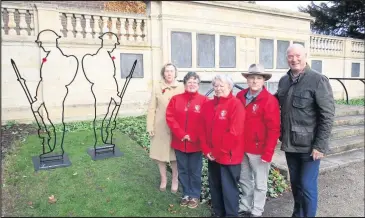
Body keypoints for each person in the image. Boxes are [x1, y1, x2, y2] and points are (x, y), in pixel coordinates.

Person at [275, 43, 335, 217]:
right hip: (290, 144)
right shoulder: (284, 81)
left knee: (307, 185)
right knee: (296, 184)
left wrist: (320, 146)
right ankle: (298, 214)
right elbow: (274, 102)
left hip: (310, 147)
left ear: (305, 56)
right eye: (290, 56)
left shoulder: (318, 80)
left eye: (297, 55)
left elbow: (327, 115)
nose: (294, 59)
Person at [236, 64, 281, 217]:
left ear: (263, 81)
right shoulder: (240, 96)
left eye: (258, 78)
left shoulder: (269, 100)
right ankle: (245, 207)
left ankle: (257, 211)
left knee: (260, 183)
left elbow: (274, 129)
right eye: (251, 77)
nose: (255, 81)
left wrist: (268, 152)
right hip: (241, 148)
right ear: (247, 80)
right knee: (244, 180)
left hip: (259, 149)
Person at [199, 74, 246, 217]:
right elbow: (202, 129)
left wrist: (218, 152)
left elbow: (234, 133)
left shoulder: (235, 104)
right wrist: (206, 150)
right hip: (212, 155)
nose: (218, 88)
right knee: (215, 187)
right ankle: (218, 213)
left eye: (221, 86)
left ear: (230, 87)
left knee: (229, 189)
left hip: (228, 156)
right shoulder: (207, 105)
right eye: (215, 85)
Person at [166, 71, 208, 209]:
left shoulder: (204, 101)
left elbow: (206, 122)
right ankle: (186, 193)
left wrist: (194, 136)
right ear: (184, 84)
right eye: (189, 82)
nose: (192, 84)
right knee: (182, 169)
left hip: (196, 144)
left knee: (195, 170)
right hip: (179, 142)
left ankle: (194, 195)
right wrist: (181, 133)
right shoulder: (176, 99)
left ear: (198, 85)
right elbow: (170, 117)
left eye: (195, 82)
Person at [146, 63, 184, 193]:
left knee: (174, 156)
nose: (169, 73)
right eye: (167, 71)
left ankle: (175, 179)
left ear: (175, 73)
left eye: (171, 71)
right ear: (163, 73)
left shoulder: (181, 87)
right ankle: (163, 179)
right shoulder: (157, 87)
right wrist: (150, 125)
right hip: (160, 126)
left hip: (176, 127)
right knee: (159, 155)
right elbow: (151, 108)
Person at [81, 32, 121, 147]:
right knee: (101, 115)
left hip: (109, 91)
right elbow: (106, 78)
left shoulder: (107, 56)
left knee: (106, 116)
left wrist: (115, 93)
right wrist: (114, 93)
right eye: (113, 44)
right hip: (101, 91)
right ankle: (100, 140)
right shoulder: (100, 57)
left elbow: (111, 78)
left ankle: (105, 139)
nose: (114, 46)